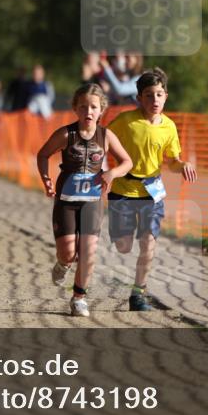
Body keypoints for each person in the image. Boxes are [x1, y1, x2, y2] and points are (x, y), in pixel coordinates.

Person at [36, 84, 132, 317]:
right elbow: (43, 154)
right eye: (83, 107)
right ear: (75, 109)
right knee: (68, 252)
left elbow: (127, 162)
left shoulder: (106, 136)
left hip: (92, 201)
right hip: (66, 201)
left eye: (93, 107)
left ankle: (79, 298)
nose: (88, 111)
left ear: (101, 110)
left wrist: (111, 173)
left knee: (88, 251)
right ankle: (63, 263)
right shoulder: (65, 134)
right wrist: (46, 179)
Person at [107, 68, 196, 311]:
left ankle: (138, 295)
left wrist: (183, 165)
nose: (154, 100)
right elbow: (103, 140)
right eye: (148, 95)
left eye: (158, 94)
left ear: (166, 96)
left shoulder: (169, 127)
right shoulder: (126, 121)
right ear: (139, 98)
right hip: (123, 190)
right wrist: (102, 167)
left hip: (152, 193)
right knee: (124, 246)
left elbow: (172, 161)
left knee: (148, 243)